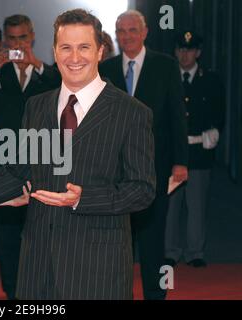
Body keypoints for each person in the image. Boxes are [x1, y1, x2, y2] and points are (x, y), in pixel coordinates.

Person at [0, 8, 156, 300]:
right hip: (37, 266)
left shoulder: (131, 112)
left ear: (100, 50)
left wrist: (83, 198)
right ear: (54, 51)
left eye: (84, 47)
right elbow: (18, 171)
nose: (74, 58)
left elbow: (142, 190)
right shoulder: (36, 107)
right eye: (66, 48)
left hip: (98, 268)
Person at [99, 10, 189, 300]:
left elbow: (177, 115)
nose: (126, 36)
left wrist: (180, 161)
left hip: (155, 167)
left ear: (145, 32)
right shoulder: (106, 68)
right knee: (117, 240)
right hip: (114, 171)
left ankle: (155, 295)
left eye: (132, 30)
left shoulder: (166, 66)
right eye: (121, 31)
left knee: (153, 240)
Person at [0, 14, 61, 299]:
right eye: (12, 39)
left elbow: (65, 91)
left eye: (23, 38)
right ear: (5, 41)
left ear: (32, 38)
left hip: (43, 165)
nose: (18, 44)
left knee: (42, 232)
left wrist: (37, 64)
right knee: (7, 235)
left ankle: (39, 290)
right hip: (5, 165)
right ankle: (13, 293)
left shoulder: (47, 73)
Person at [164, 31, 225, 268]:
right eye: (180, 49)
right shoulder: (167, 77)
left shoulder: (211, 79)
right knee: (170, 204)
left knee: (196, 204)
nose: (184, 54)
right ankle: (170, 250)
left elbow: (219, 112)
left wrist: (216, 131)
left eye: (189, 50)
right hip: (172, 151)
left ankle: (195, 251)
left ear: (198, 52)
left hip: (199, 151)